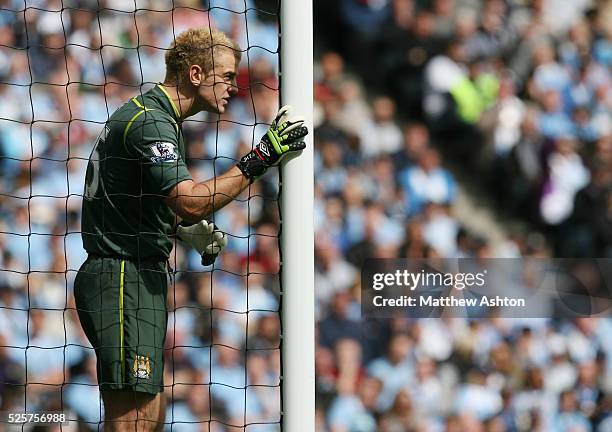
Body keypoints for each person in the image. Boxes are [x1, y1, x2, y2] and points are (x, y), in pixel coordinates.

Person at [73, 27, 308, 431]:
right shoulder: (153, 122)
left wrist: (183, 228)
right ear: (196, 74)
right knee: (132, 420)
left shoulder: (156, 117)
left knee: (150, 414)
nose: (236, 86)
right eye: (229, 76)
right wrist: (263, 155)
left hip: (134, 274)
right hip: (123, 275)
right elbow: (190, 198)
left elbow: (142, 199)